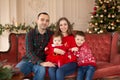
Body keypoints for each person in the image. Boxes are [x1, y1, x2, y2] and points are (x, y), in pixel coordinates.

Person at [15, 12, 55, 80]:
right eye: (42, 20)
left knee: (42, 70)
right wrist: (41, 62)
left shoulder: (51, 34)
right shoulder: (30, 34)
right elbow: (29, 52)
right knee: (15, 72)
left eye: (47, 20)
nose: (44, 22)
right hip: (28, 61)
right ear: (37, 20)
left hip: (40, 64)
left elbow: (58, 42)